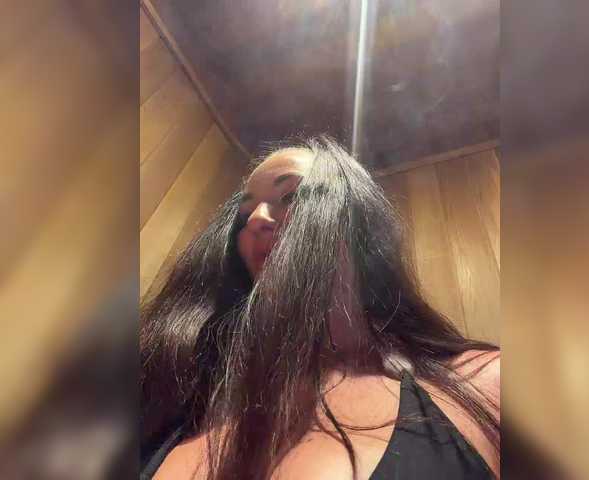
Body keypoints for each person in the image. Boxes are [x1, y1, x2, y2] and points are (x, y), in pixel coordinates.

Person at [140, 137, 500, 480]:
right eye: (244, 214)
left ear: (360, 228)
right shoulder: (177, 404)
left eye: (291, 196)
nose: (255, 219)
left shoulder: (483, 384)